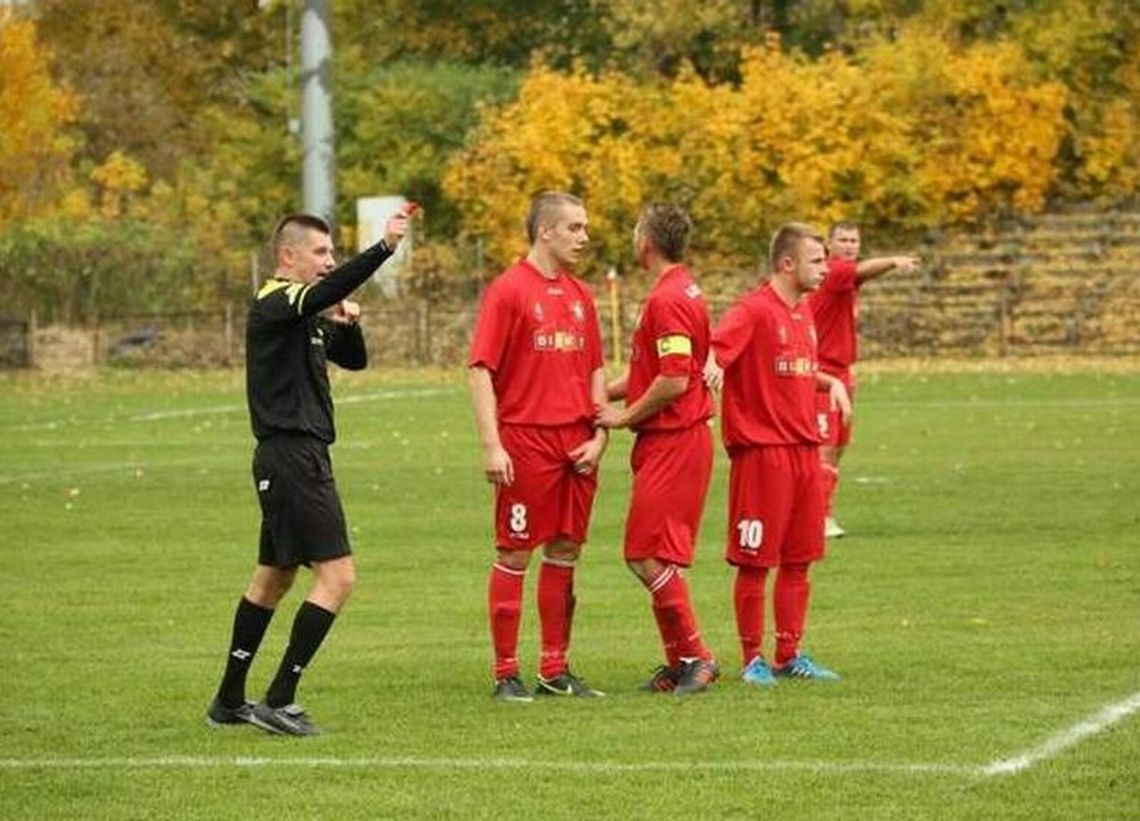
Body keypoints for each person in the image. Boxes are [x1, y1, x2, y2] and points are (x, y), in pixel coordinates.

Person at [205, 208, 410, 736]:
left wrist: (351, 322)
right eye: (321, 253)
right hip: (293, 457)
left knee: (273, 577)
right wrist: (383, 248)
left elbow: (354, 360)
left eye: (332, 253)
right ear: (287, 257)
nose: (329, 262)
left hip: (291, 458)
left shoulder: (305, 313)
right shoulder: (277, 301)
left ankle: (229, 700)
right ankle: (279, 698)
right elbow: (319, 295)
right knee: (339, 578)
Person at [468, 191, 609, 702]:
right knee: (514, 550)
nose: (584, 238)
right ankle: (506, 671)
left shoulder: (582, 295)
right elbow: (481, 369)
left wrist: (601, 435)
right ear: (544, 231)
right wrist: (492, 445)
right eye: (575, 228)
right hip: (526, 440)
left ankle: (555, 667)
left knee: (567, 550)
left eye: (584, 227)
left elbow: (596, 371)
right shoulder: (508, 291)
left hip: (577, 444)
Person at [706, 222, 851, 685]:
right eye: (817, 260)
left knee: (799, 557)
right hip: (762, 454)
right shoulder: (752, 311)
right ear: (787, 264)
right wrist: (708, 380)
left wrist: (829, 384)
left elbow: (796, 370)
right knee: (755, 560)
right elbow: (714, 354)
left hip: (804, 452)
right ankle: (753, 659)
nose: (826, 269)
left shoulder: (803, 311)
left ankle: (789, 654)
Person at [596, 203, 718, 696]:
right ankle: (678, 663)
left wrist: (622, 416)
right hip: (675, 438)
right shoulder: (683, 287)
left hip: (675, 438)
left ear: (646, 241)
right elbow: (655, 372)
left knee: (645, 555)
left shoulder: (668, 299)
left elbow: (672, 380)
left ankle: (697, 657)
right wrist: (602, 392)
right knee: (651, 554)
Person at [809, 222, 918, 538]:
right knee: (825, 448)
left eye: (854, 240)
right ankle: (819, 518)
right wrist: (894, 261)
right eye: (842, 240)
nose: (849, 245)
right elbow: (863, 271)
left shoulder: (844, 280)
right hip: (823, 374)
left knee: (838, 447)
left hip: (843, 372)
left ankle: (816, 511)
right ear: (829, 245)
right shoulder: (834, 272)